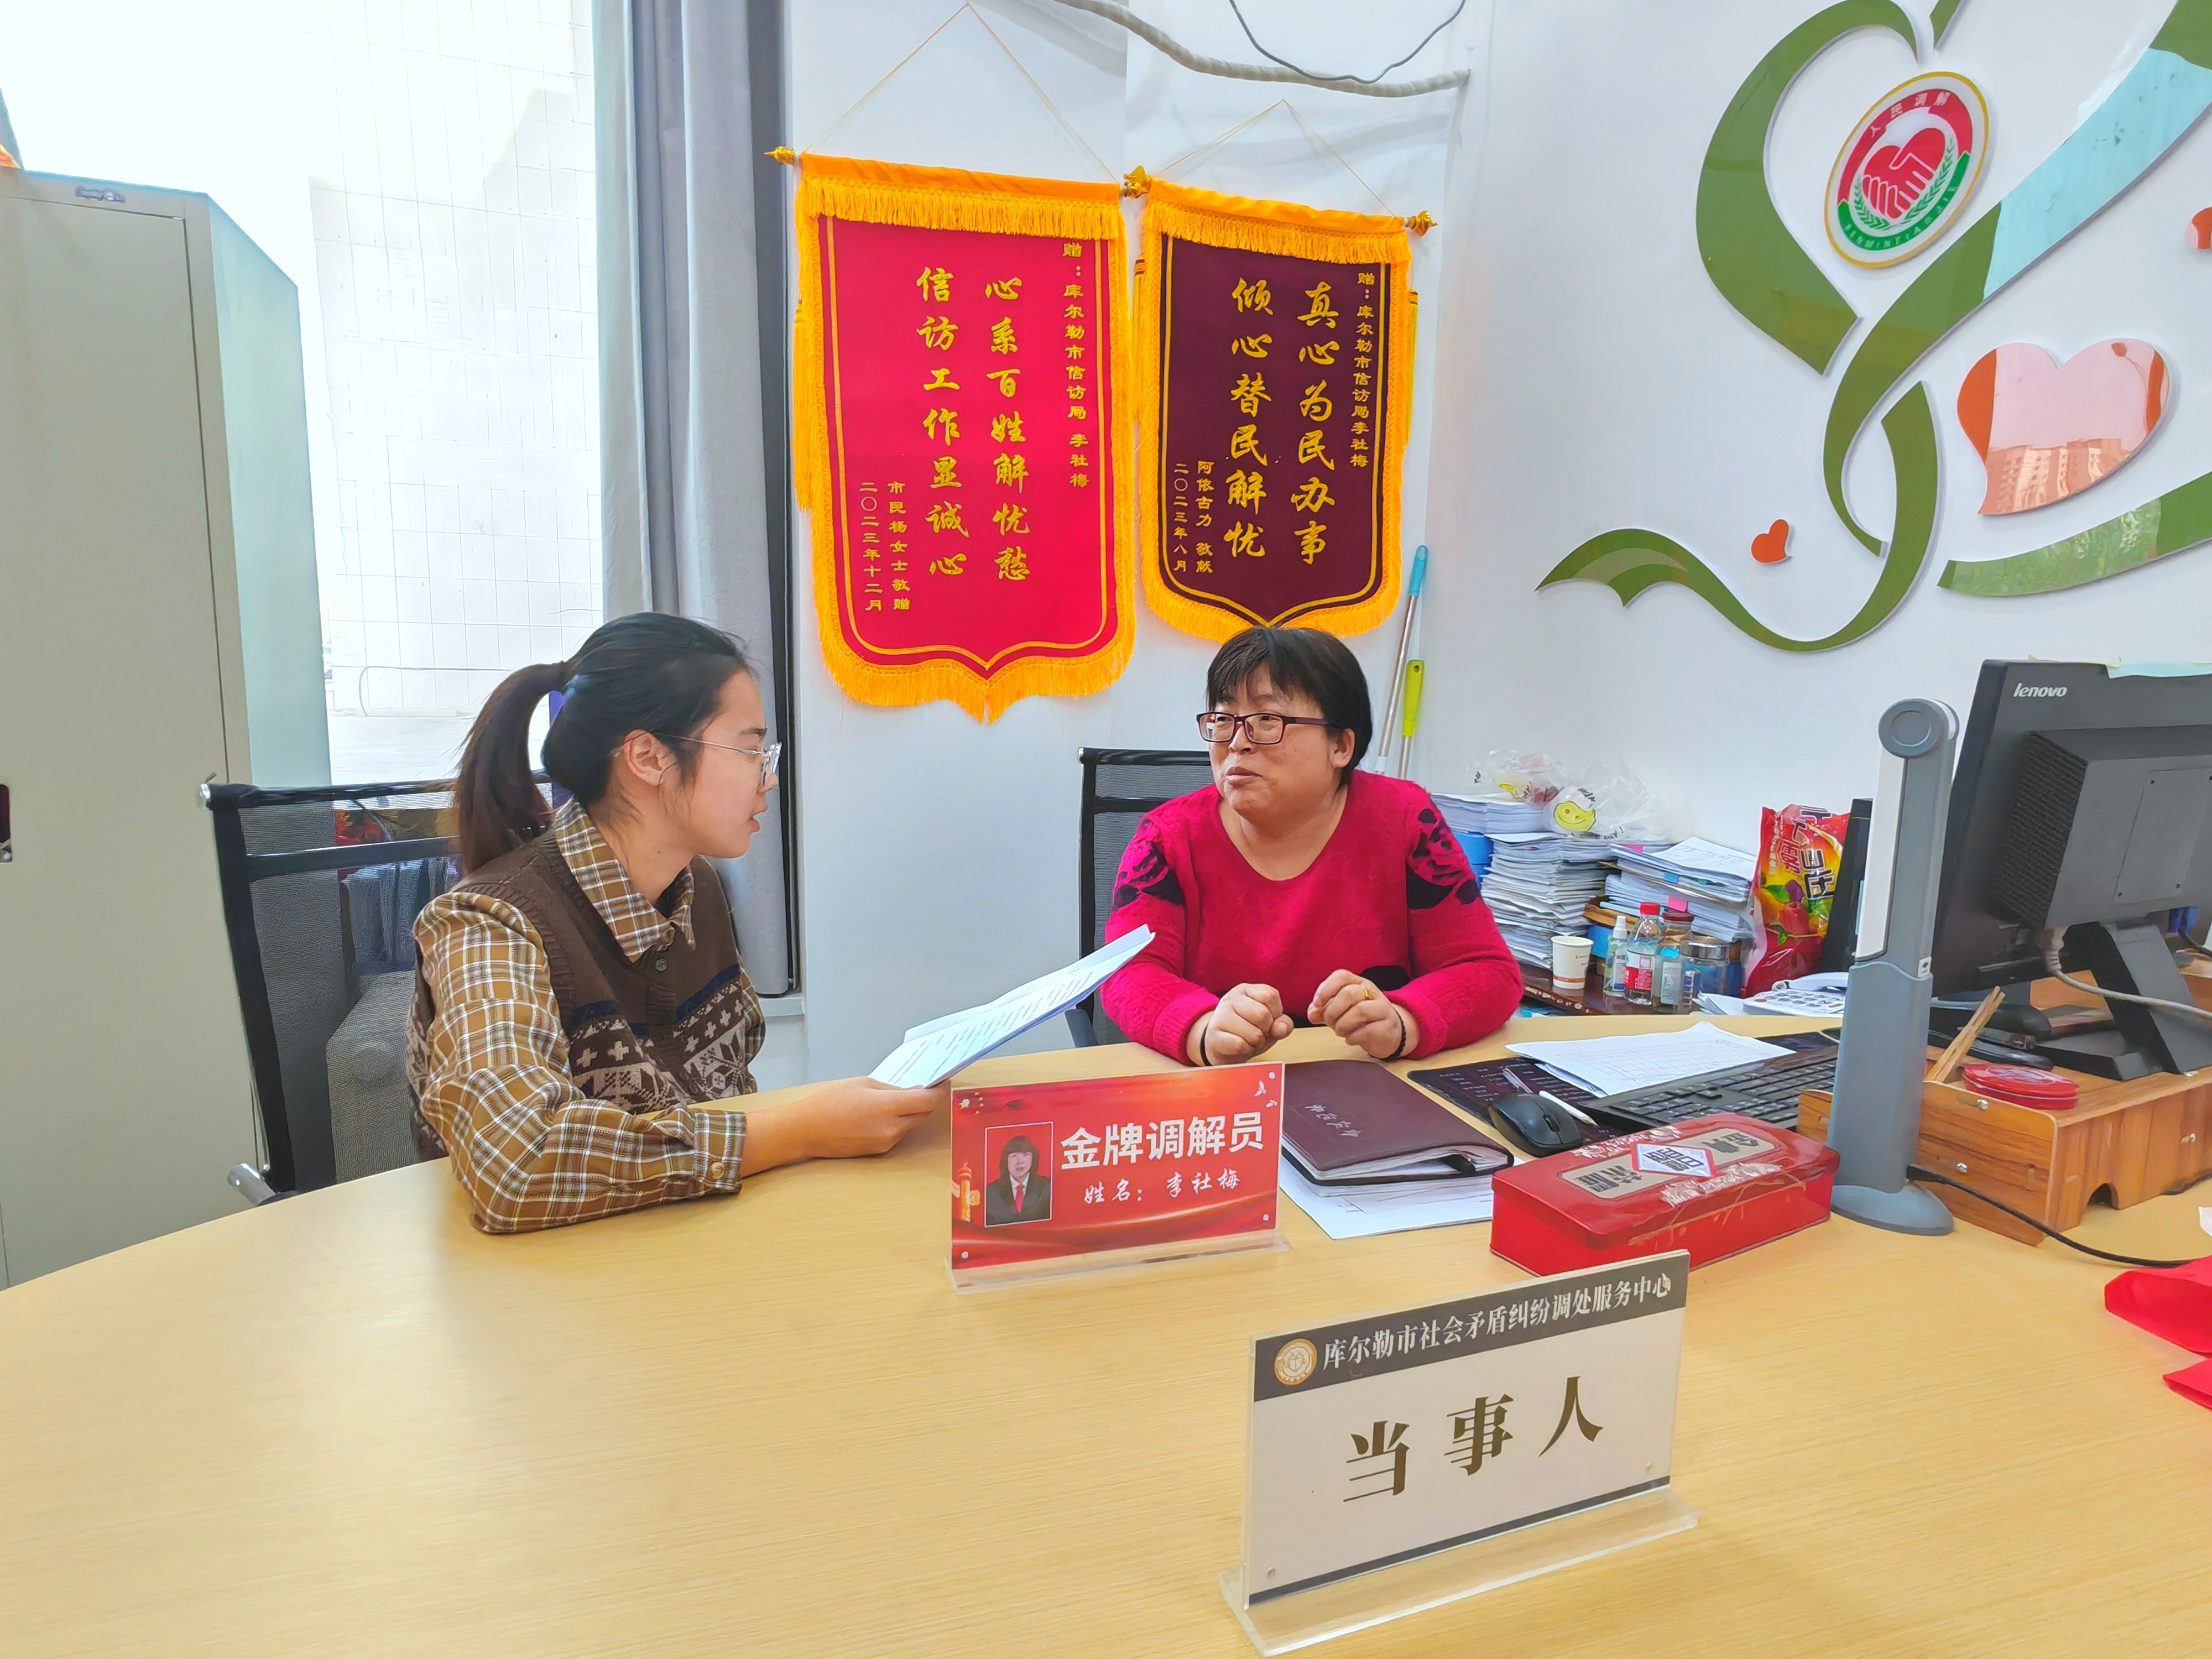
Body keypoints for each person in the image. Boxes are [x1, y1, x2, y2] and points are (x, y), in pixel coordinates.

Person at [408, 613, 942, 1233]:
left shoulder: (697, 888)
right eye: (749, 750)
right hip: (541, 1276)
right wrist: (803, 1130)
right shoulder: (487, 924)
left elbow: (718, 1098)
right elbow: (516, 1163)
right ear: (647, 757)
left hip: (686, 1237)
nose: (768, 778)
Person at [1100, 626, 1522, 1066]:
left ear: (1340, 746)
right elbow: (1129, 973)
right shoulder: (1167, 837)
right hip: (1225, 1088)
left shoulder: (1405, 820)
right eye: (1224, 720)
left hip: (1367, 1081)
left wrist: (1403, 1023)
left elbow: (1486, 970)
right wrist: (1202, 1030)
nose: (1237, 743)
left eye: (1268, 720)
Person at [984, 1133, 1051, 1225]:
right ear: (1005, 1160)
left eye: (1026, 1155)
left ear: (1034, 1158)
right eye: (1014, 1156)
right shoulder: (992, 1192)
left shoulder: (1046, 1187)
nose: (1020, 1161)